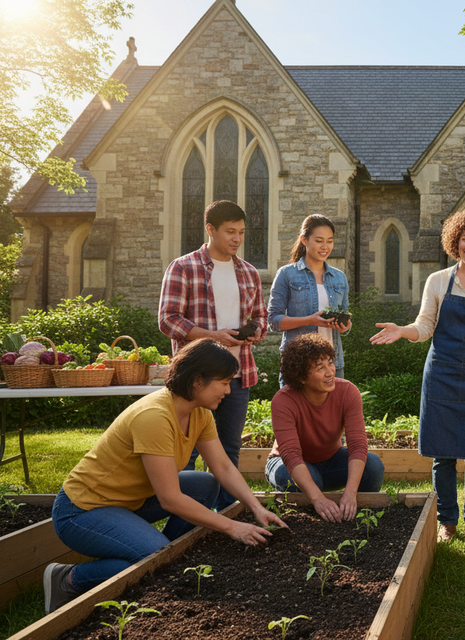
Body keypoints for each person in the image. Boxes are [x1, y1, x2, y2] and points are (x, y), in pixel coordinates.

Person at [45, 339, 287, 614]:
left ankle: (166, 552)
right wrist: (231, 527)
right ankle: (67, 579)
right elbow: (170, 499)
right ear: (198, 381)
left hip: (129, 501)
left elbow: (223, 467)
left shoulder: (199, 413)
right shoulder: (154, 416)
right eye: (223, 382)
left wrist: (255, 507)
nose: (229, 390)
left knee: (204, 484)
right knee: (154, 559)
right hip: (82, 510)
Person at [370, 209, 465, 542]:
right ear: (455, 241)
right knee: (443, 453)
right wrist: (403, 331)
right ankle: (447, 521)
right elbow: (425, 327)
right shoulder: (437, 281)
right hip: (442, 374)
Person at [158, 199, 267, 510]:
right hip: (197, 378)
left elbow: (261, 317)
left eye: (241, 232)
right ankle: (187, 515)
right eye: (230, 232)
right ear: (210, 229)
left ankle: (224, 514)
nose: (236, 238)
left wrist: (255, 332)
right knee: (188, 451)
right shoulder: (183, 267)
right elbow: (167, 319)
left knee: (230, 448)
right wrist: (212, 336)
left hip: (238, 374)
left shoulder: (249, 273)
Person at [265, 333, 384, 522]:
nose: (330, 372)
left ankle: (354, 514)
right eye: (320, 368)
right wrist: (318, 499)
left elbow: (357, 445)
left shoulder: (348, 392)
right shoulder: (283, 400)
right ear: (301, 376)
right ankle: (311, 519)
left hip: (330, 461)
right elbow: (291, 455)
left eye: (330, 363)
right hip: (286, 464)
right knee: (308, 481)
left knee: (373, 466)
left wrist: (350, 494)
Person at [268, 214, 351, 380]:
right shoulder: (287, 274)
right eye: (319, 240)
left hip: (332, 364)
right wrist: (309, 320)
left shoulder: (339, 277)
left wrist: (345, 327)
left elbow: (346, 319)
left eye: (330, 241)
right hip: (299, 365)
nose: (325, 246)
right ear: (304, 240)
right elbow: (274, 321)